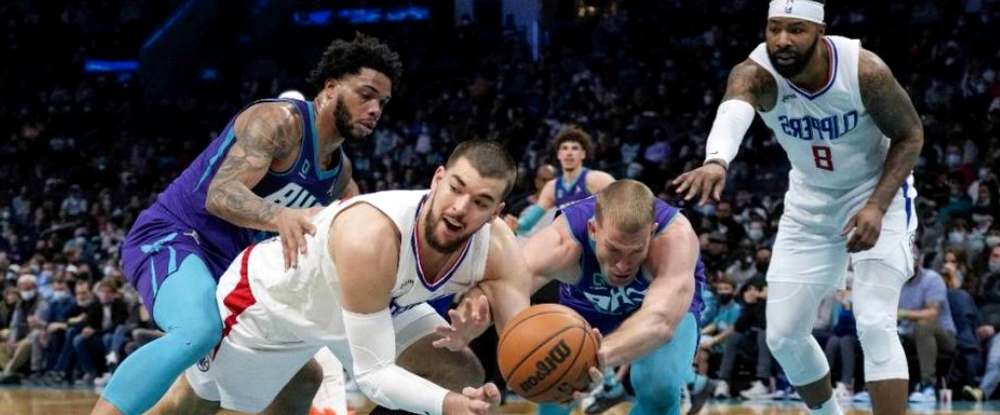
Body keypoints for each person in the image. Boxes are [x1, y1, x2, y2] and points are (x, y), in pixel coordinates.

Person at [96, 33, 402, 415]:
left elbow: (361, 232)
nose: (374, 109)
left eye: (382, 102)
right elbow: (220, 193)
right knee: (196, 331)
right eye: (366, 94)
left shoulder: (340, 174)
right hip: (175, 237)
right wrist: (280, 216)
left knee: (303, 378)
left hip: (234, 272)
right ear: (330, 87)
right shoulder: (277, 121)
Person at [150, 140, 535, 415]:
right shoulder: (373, 235)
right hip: (274, 302)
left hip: (377, 300)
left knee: (457, 371)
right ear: (437, 179)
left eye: (481, 202)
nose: (460, 208)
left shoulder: (498, 252)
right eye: (456, 188)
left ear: (496, 212)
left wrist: (573, 368)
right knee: (197, 403)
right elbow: (373, 376)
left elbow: (528, 343)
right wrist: (450, 407)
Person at [672, 0, 924, 413]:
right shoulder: (756, 72)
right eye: (774, 29)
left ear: (820, 33)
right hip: (809, 204)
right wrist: (717, 160)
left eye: (796, 30)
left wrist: (877, 206)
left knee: (875, 322)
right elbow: (734, 109)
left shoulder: (865, 71)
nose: (782, 40)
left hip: (878, 195)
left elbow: (911, 135)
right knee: (784, 337)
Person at [522, 179, 706, 415]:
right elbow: (510, 283)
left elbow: (659, 323)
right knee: (552, 388)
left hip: (657, 305)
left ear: (652, 231)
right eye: (614, 249)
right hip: (587, 302)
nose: (623, 265)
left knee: (660, 385)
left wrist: (589, 360)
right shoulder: (562, 239)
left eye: (636, 251)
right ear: (593, 229)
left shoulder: (675, 240)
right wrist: (473, 320)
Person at [516, 125, 614, 235]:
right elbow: (534, 215)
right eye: (565, 148)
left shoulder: (599, 179)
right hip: (570, 243)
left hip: (595, 241)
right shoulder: (552, 187)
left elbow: (620, 207)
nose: (569, 153)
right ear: (558, 154)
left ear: (583, 154)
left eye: (575, 148)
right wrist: (518, 224)